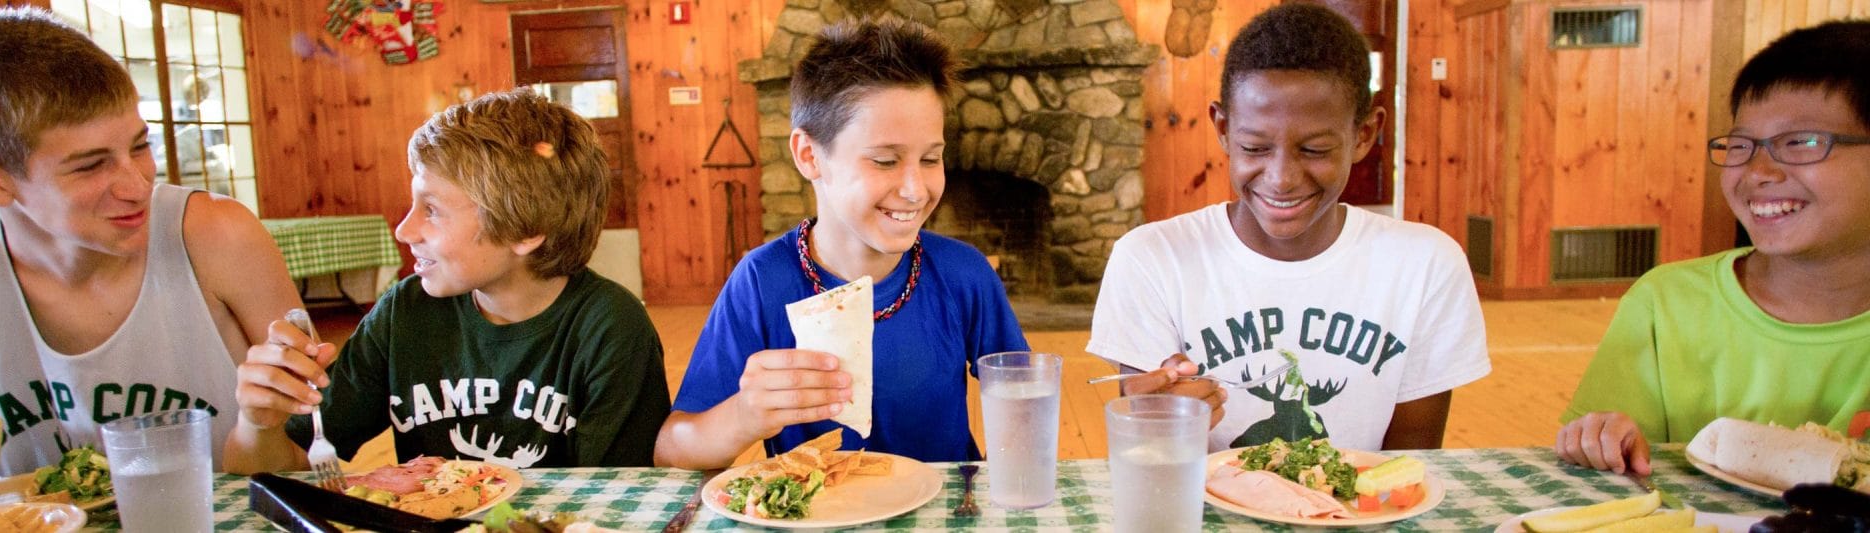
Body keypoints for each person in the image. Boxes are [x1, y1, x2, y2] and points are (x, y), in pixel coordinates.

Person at [1089, 3, 1490, 452]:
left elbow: (1408, 468)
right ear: (1222, 128)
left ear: (1363, 135)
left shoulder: (1426, 265)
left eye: (1315, 149)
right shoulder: (1151, 258)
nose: (1281, 178)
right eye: (1254, 146)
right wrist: (1160, 424)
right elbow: (1151, 459)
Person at [224, 89, 670, 473]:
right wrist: (258, 425)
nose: (404, 230)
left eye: (432, 209)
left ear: (524, 230)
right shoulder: (406, 311)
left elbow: (618, 501)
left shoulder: (611, 329)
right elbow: (283, 467)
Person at [655, 17, 1028, 470]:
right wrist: (744, 415)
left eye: (931, 158)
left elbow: (1024, 403)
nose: (915, 189)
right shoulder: (761, 281)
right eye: (885, 160)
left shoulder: (964, 275)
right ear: (810, 156)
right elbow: (672, 451)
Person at [0, 7, 301, 476]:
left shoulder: (217, 234)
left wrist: (269, 425)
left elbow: (313, 445)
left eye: (140, 146)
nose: (137, 186)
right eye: (90, 165)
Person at [1556, 19, 1870, 476]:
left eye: (1801, 142)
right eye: (1741, 145)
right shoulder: (1667, 304)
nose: (1758, 170)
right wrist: (1604, 437)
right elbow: (1603, 458)